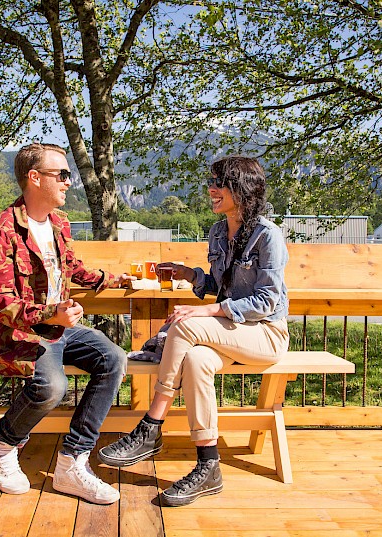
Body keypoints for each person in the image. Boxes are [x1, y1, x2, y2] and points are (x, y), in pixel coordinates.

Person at [98, 155, 290, 506]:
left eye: (219, 183)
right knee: (198, 360)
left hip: (265, 334)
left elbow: (264, 302)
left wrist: (208, 309)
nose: (211, 189)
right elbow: (222, 284)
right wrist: (190, 275)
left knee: (186, 324)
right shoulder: (219, 232)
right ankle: (208, 465)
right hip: (232, 330)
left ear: (242, 189)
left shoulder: (268, 235)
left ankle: (150, 426)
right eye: (211, 182)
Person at [0, 142, 133, 504]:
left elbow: (70, 267)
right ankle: (5, 442)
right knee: (51, 387)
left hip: (58, 327)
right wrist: (49, 314)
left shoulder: (59, 223)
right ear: (34, 178)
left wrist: (110, 279)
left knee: (114, 359)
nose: (68, 182)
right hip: (18, 331)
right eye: (61, 174)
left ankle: (72, 463)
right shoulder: (2, 229)